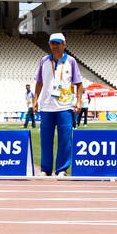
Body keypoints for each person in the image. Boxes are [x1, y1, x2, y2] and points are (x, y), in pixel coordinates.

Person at [32, 32, 83, 176]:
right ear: (49, 44)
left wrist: (78, 101)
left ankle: (62, 170)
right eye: (52, 43)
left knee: (65, 140)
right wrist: (35, 100)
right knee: (45, 140)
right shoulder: (44, 61)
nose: (55, 46)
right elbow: (39, 82)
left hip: (65, 107)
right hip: (46, 106)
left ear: (64, 44)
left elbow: (79, 83)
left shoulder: (71, 61)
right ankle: (45, 169)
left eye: (58, 43)